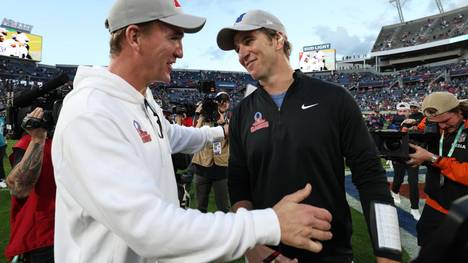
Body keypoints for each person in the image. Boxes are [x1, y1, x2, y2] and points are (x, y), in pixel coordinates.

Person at [51, 1, 333, 262]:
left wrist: (221, 132)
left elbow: (171, 135)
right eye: (174, 37)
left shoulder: (140, 100)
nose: (180, 51)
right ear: (134, 37)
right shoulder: (91, 113)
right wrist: (270, 223)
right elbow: (151, 229)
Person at [217, 9, 401, 263]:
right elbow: (238, 186)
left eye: (248, 41)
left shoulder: (334, 99)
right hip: (267, 255)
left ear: (278, 40)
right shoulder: (241, 113)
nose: (241, 54)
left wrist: (388, 255)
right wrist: (255, 249)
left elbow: (371, 178)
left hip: (330, 254)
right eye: (237, 48)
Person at [407, 92, 468, 249]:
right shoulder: (432, 123)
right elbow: (416, 134)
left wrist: (434, 159)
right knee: (428, 248)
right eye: (436, 122)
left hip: (463, 208)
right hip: (435, 202)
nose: (442, 126)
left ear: (459, 111)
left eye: (446, 120)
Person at [4, 107, 55, 263]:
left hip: (72, 230)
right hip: (43, 236)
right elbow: (19, 188)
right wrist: (37, 140)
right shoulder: (31, 142)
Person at [192, 91, 231, 213]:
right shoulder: (204, 119)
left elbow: (234, 139)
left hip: (221, 168)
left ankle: (225, 231)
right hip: (202, 166)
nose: (224, 104)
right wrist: (200, 116)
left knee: (224, 207)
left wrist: (223, 123)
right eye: (221, 101)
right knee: (200, 207)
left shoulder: (230, 119)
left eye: (226, 101)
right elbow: (194, 137)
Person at [389, 102, 422, 220]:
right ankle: (395, 191)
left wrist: (415, 128)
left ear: (409, 112)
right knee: (398, 179)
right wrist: (402, 129)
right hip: (399, 155)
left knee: (413, 181)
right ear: (397, 112)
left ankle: (414, 208)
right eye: (400, 111)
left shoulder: (417, 123)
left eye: (405, 111)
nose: (402, 113)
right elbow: (392, 139)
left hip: (412, 154)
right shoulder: (393, 124)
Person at [0, 111, 7, 188]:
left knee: (0, 163)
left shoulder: (2, 119)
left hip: (2, 144)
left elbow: (4, 131)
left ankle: (1, 178)